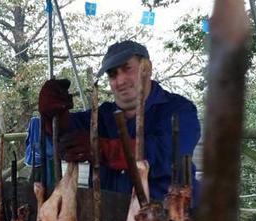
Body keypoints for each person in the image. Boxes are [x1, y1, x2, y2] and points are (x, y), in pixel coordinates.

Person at [38, 40, 200, 200]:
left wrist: (102, 149)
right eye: (113, 74)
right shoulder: (102, 115)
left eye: (127, 69)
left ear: (147, 69)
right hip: (108, 217)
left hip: (168, 218)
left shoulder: (180, 110)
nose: (120, 81)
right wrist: (53, 114)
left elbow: (165, 153)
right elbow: (63, 135)